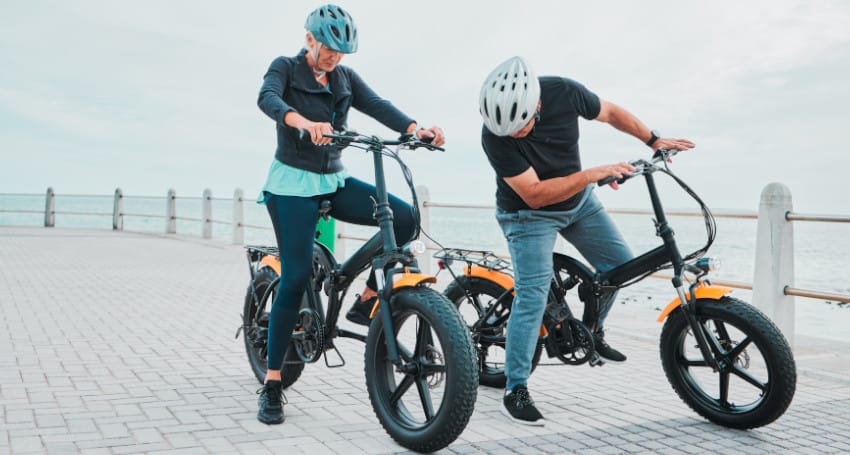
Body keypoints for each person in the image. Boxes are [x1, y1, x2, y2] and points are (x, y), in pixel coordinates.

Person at [254, 4, 445, 425]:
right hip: (292, 185)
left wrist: (416, 130)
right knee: (297, 274)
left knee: (405, 219)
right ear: (310, 40)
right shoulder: (285, 67)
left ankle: (365, 300)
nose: (334, 58)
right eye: (329, 51)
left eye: (341, 53)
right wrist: (301, 121)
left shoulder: (344, 77)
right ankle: (271, 384)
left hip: (333, 180)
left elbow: (378, 104)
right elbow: (267, 98)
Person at [478, 56, 695, 426]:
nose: (515, 134)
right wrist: (592, 174)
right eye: (507, 130)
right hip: (527, 215)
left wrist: (653, 139)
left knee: (620, 270)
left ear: (538, 104)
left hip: (579, 205)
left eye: (522, 124)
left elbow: (610, 113)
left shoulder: (564, 91)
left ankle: (591, 331)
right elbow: (533, 194)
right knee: (531, 295)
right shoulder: (494, 136)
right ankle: (516, 387)